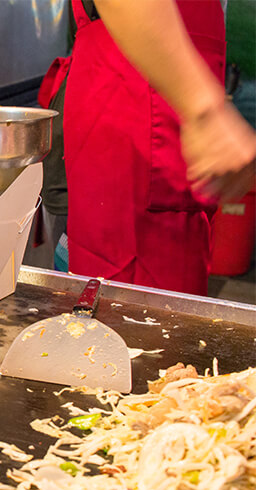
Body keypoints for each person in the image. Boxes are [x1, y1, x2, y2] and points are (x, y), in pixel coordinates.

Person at [40, 0, 256, 296]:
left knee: (164, 313)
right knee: (128, 320)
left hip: (157, 110)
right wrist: (205, 110)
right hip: (133, 103)